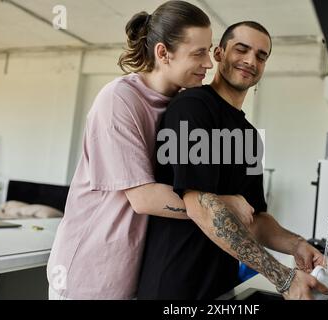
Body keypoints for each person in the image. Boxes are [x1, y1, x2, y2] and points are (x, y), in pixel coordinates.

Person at [46, 1, 254, 300]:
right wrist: (225, 206)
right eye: (198, 53)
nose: (209, 63)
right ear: (162, 53)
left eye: (208, 51)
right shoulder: (119, 100)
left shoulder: (182, 106)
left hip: (133, 274)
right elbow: (144, 199)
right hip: (89, 275)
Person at [137, 21, 328, 300]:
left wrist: (297, 245)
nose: (251, 60)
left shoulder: (251, 137)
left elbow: (257, 219)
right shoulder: (192, 108)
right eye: (242, 49)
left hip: (222, 288)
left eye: (261, 56)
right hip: (175, 287)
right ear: (218, 54)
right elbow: (199, 204)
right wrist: (284, 278)